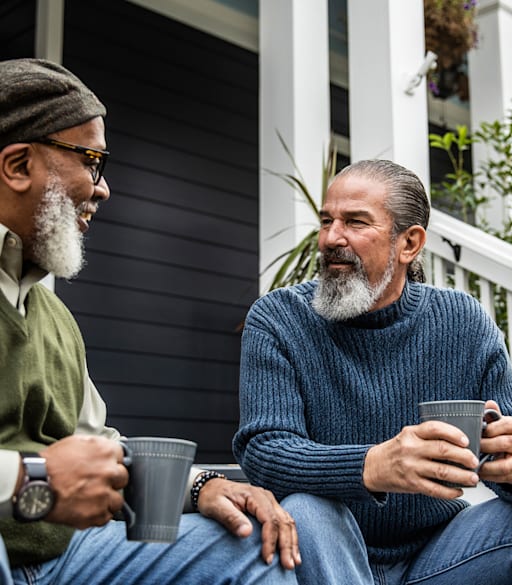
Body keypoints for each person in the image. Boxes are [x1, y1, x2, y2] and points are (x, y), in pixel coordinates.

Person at [0, 57, 305, 585]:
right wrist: (33, 480)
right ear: (19, 165)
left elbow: (100, 446)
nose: (103, 187)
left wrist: (200, 487)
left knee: (251, 543)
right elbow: (54, 476)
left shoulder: (53, 317)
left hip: (63, 558)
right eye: (91, 160)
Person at [233, 158, 512, 584]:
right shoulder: (278, 317)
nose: (331, 238)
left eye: (355, 222)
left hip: (444, 553)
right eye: (327, 220)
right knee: (308, 508)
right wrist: (372, 464)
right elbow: (265, 450)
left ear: (409, 243)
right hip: (327, 549)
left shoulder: (462, 319)